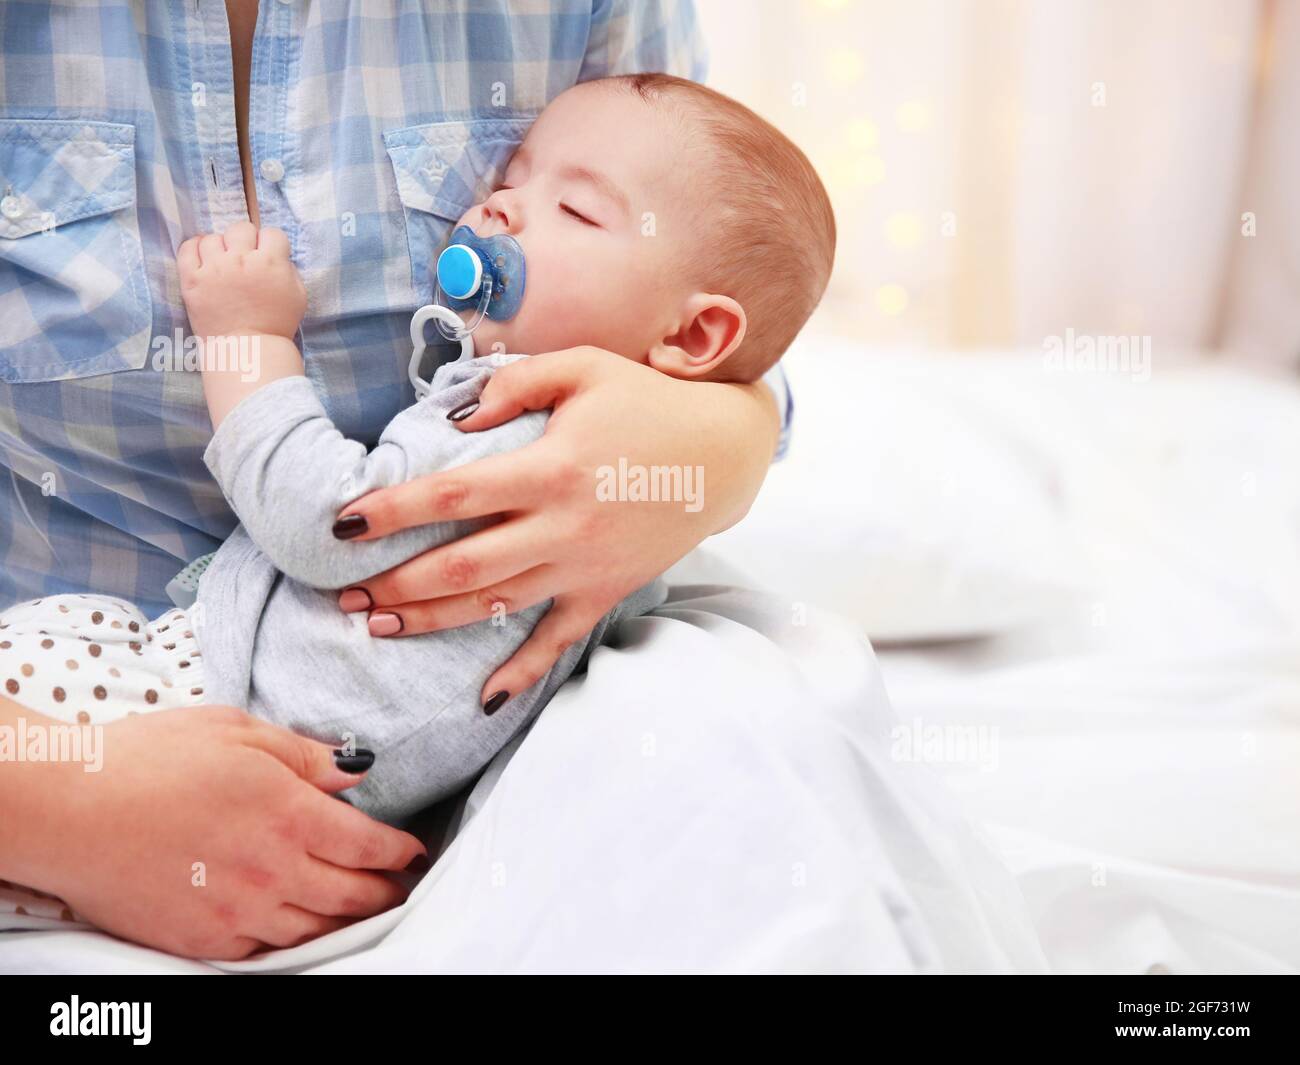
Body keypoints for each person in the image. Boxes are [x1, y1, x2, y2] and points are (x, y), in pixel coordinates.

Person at [0, 3, 786, 959]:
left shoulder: (515, 423)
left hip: (227, 710)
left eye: (572, 209)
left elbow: (331, 519)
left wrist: (713, 441)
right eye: (507, 175)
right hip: (132, 691)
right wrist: (66, 806)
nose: (499, 206)